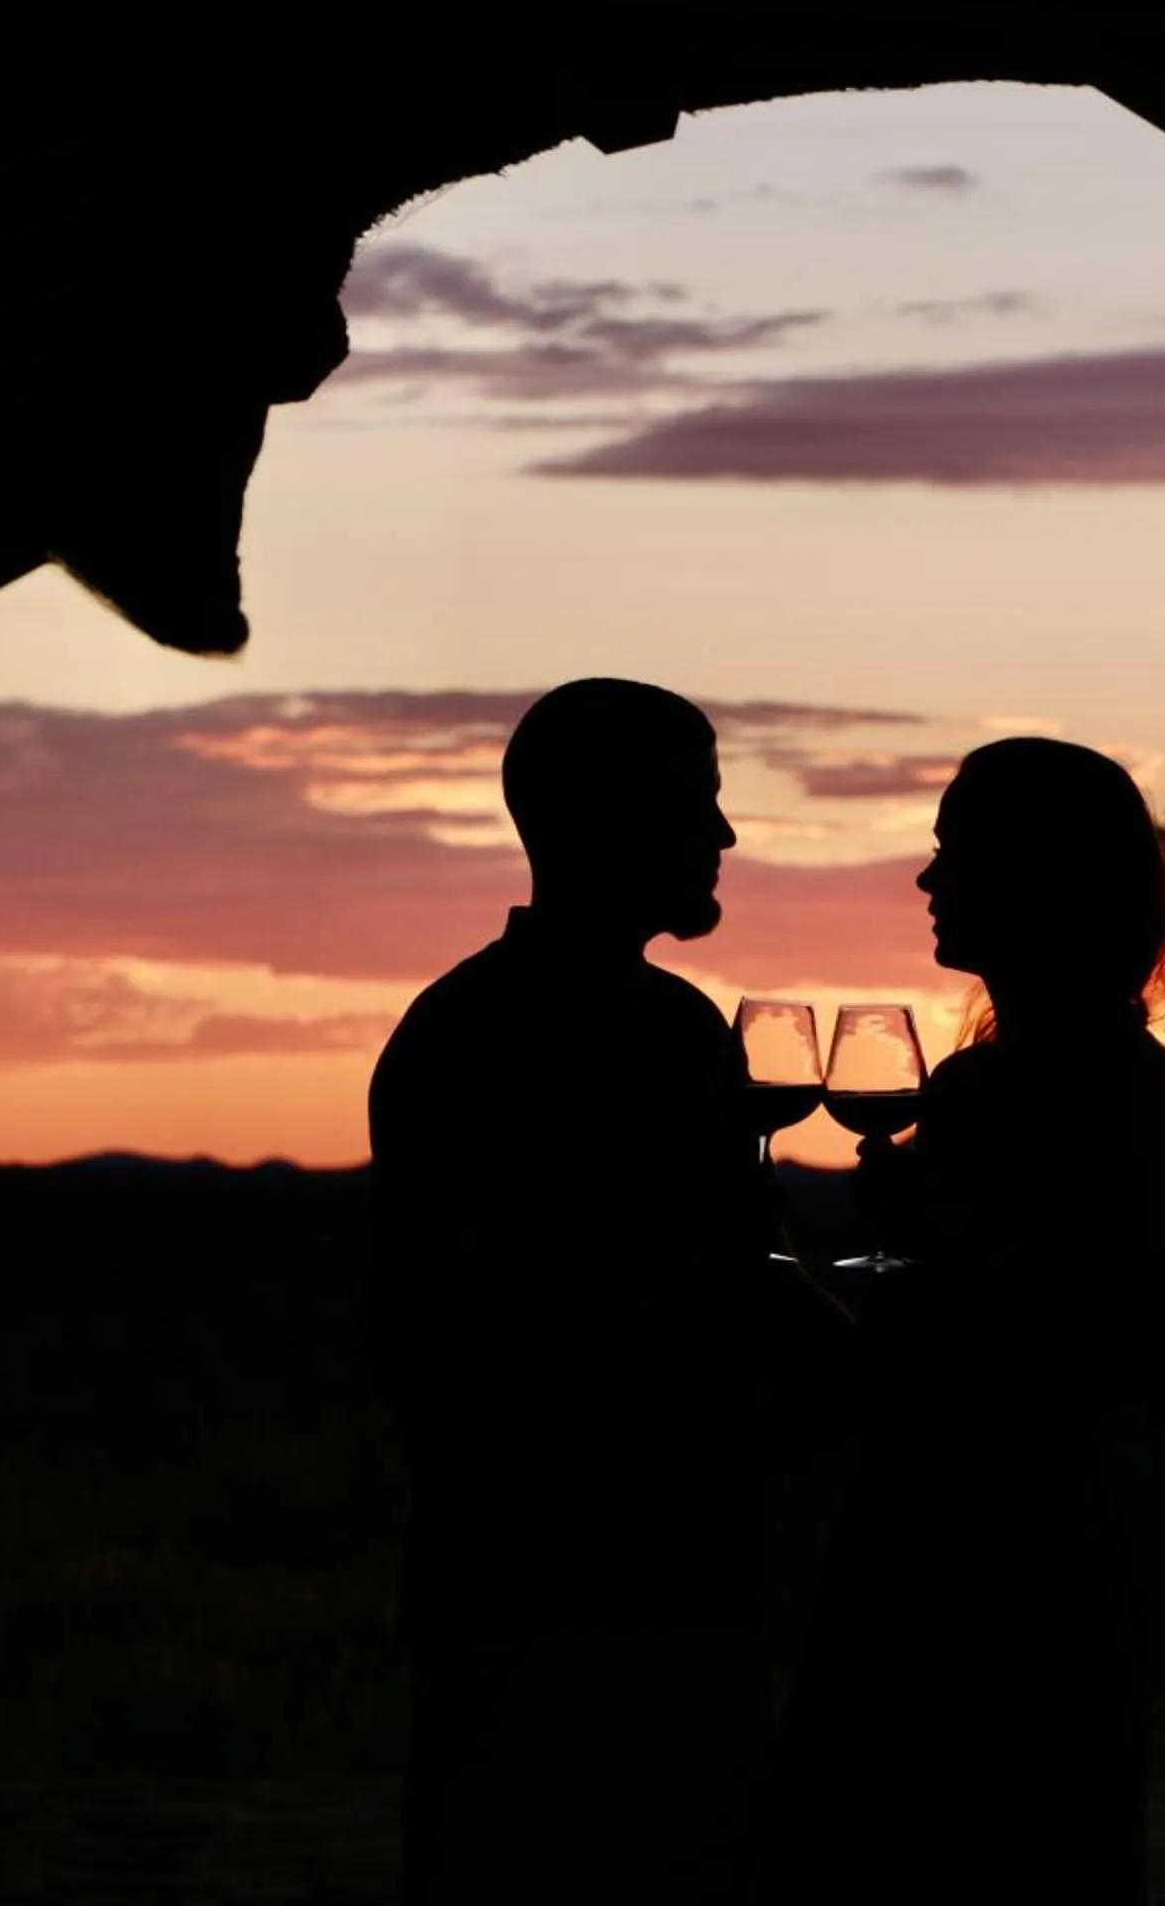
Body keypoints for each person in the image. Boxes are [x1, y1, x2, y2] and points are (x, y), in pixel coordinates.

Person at [367, 677, 848, 1906]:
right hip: (534, 1604)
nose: (726, 836)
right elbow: (443, 1355)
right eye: (703, 801)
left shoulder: (690, 1031)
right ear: (602, 817)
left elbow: (737, 1277)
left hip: (698, 1587)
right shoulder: (469, 1038)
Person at [763, 737, 1165, 1906]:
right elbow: (906, 1357)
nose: (928, 877)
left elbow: (1162, 1357)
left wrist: (946, 1233)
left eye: (956, 847)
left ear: (1047, 872)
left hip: (1034, 1580)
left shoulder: (1130, 1087)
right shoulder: (967, 1088)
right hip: (907, 1552)